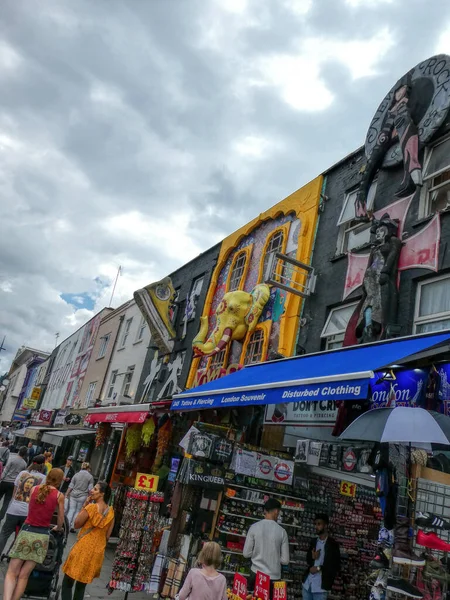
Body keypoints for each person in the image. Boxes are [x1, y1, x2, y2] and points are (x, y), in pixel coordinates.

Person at [3, 468, 65, 600]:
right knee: (24, 575)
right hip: (42, 537)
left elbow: (32, 507)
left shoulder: (34, 489)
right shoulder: (59, 496)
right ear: (60, 480)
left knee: (12, 572)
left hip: (27, 531)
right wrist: (58, 528)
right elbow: (60, 519)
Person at [62, 481, 114, 600]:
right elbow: (107, 536)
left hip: (83, 548)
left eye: (95, 489)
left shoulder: (91, 507)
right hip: (97, 551)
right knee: (81, 585)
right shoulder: (111, 512)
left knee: (68, 582)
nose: (91, 491)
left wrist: (85, 505)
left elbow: (76, 524)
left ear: (102, 494)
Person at [0, 455, 47, 556]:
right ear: (43, 465)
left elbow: (15, 490)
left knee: (4, 534)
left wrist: (15, 500)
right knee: (21, 537)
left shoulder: (22, 473)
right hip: (27, 513)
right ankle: (13, 557)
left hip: (13, 509)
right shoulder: (43, 478)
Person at [243, 498, 290, 593]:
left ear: (265, 511)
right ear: (276, 511)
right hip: (274, 577)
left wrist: (258, 554)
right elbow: (285, 561)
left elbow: (246, 554)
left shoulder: (254, 527)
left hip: (256, 574)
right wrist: (274, 557)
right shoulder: (282, 532)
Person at [303, 514, 341, 600]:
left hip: (320, 588)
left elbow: (336, 566)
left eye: (319, 524)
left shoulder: (333, 545)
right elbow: (308, 561)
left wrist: (319, 568)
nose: (316, 526)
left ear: (326, 525)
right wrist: (312, 557)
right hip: (307, 585)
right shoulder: (313, 542)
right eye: (315, 524)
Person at [0, 446, 28, 521]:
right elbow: (22, 475)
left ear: (19, 451)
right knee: (6, 501)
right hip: (13, 484)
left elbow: (6, 470)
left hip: (5, 481)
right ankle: (1, 517)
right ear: (25, 454)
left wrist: (2, 478)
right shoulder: (24, 464)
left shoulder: (12, 459)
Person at [65, 462, 94, 532]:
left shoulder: (76, 475)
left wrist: (66, 494)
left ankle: (67, 525)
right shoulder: (90, 477)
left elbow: (71, 486)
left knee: (71, 510)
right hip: (83, 496)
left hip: (73, 495)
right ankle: (73, 526)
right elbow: (90, 489)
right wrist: (90, 498)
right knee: (77, 511)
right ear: (88, 468)